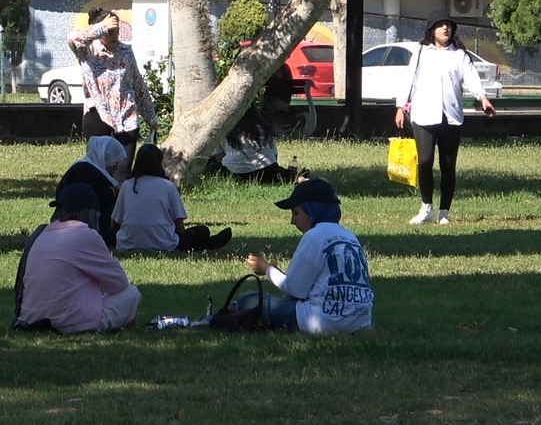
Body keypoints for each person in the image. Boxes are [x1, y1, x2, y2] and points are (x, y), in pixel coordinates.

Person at [394, 10, 496, 225]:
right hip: (423, 114)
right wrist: (400, 107)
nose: (445, 28)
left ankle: (444, 213)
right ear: (432, 30)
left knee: (448, 165)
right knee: (424, 161)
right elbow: (408, 81)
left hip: (451, 116)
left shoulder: (459, 55)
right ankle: (426, 207)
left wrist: (482, 98)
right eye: (440, 25)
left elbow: (471, 78)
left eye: (448, 25)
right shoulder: (422, 52)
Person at [243, 178, 374, 334]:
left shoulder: (314, 236)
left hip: (323, 321)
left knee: (248, 300)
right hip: (360, 322)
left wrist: (267, 269)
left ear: (312, 210)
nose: (293, 221)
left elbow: (293, 289)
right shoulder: (350, 236)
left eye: (296, 212)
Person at [15, 183, 142, 334]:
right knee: (132, 293)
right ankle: (128, 333)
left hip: (31, 319)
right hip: (71, 323)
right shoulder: (85, 234)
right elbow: (119, 283)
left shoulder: (42, 234)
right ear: (90, 214)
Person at [68, 7, 159, 180]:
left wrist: (151, 116)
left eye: (117, 31)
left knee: (122, 172)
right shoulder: (87, 51)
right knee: (98, 171)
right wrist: (102, 27)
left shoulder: (126, 51)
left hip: (127, 117)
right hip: (98, 116)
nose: (114, 35)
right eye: (110, 32)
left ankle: (119, 206)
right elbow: (72, 38)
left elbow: (138, 84)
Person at [112, 144, 233, 252]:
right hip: (164, 244)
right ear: (159, 163)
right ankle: (211, 243)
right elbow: (179, 226)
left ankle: (208, 244)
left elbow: (115, 222)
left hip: (127, 243)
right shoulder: (168, 186)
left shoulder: (127, 186)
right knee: (202, 231)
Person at [55, 136, 126, 249]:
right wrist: (115, 190)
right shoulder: (85, 171)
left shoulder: (87, 167)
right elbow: (90, 199)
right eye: (114, 162)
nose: (116, 167)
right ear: (105, 157)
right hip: (84, 226)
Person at [208, 107, 303, 184]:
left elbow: (218, 156)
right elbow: (274, 155)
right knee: (285, 175)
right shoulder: (263, 127)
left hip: (236, 173)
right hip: (267, 169)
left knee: (210, 165)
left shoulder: (225, 131)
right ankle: (298, 178)